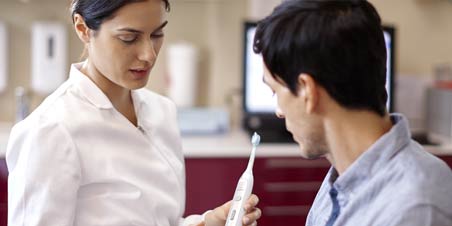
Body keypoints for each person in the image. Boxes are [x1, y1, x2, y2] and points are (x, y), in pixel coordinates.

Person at [6, 0, 261, 226]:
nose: (148, 54)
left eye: (157, 34)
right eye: (129, 38)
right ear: (83, 28)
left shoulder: (162, 112)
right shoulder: (50, 131)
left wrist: (208, 222)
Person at [253, 0, 452, 225]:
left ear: (308, 91)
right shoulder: (344, 178)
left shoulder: (414, 209)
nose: (279, 111)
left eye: (275, 91)